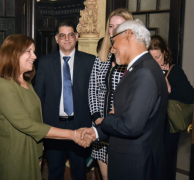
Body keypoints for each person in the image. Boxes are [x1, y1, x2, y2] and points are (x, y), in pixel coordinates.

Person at [0, 34, 92, 180]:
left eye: (34, 51)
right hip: (17, 156)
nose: (34, 56)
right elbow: (28, 125)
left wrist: (39, 153)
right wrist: (74, 135)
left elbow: (37, 117)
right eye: (29, 52)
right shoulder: (3, 85)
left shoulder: (26, 82)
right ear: (14, 54)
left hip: (33, 153)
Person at [81, 19, 169, 180]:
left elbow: (130, 126)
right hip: (131, 161)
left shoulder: (144, 72)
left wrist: (105, 120)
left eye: (114, 41)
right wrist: (95, 133)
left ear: (129, 35)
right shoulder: (138, 69)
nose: (112, 49)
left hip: (135, 166)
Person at [34, 20, 95, 180]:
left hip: (80, 127)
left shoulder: (90, 61)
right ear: (56, 38)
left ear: (77, 36)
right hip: (53, 127)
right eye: (62, 35)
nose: (67, 38)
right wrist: (40, 129)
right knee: (54, 172)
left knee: (80, 172)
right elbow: (39, 97)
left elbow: (95, 95)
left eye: (70, 34)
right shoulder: (45, 62)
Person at [88, 8, 133, 180]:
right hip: (100, 126)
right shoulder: (102, 57)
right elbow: (93, 88)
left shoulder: (132, 60)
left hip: (120, 129)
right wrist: (97, 117)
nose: (113, 31)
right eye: (111, 26)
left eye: (119, 26)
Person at [149, 35, 194, 180]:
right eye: (151, 58)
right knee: (151, 164)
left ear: (165, 53)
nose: (155, 61)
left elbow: (190, 96)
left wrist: (170, 90)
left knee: (166, 165)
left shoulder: (175, 71)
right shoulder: (147, 71)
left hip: (169, 127)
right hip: (151, 125)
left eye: (158, 57)